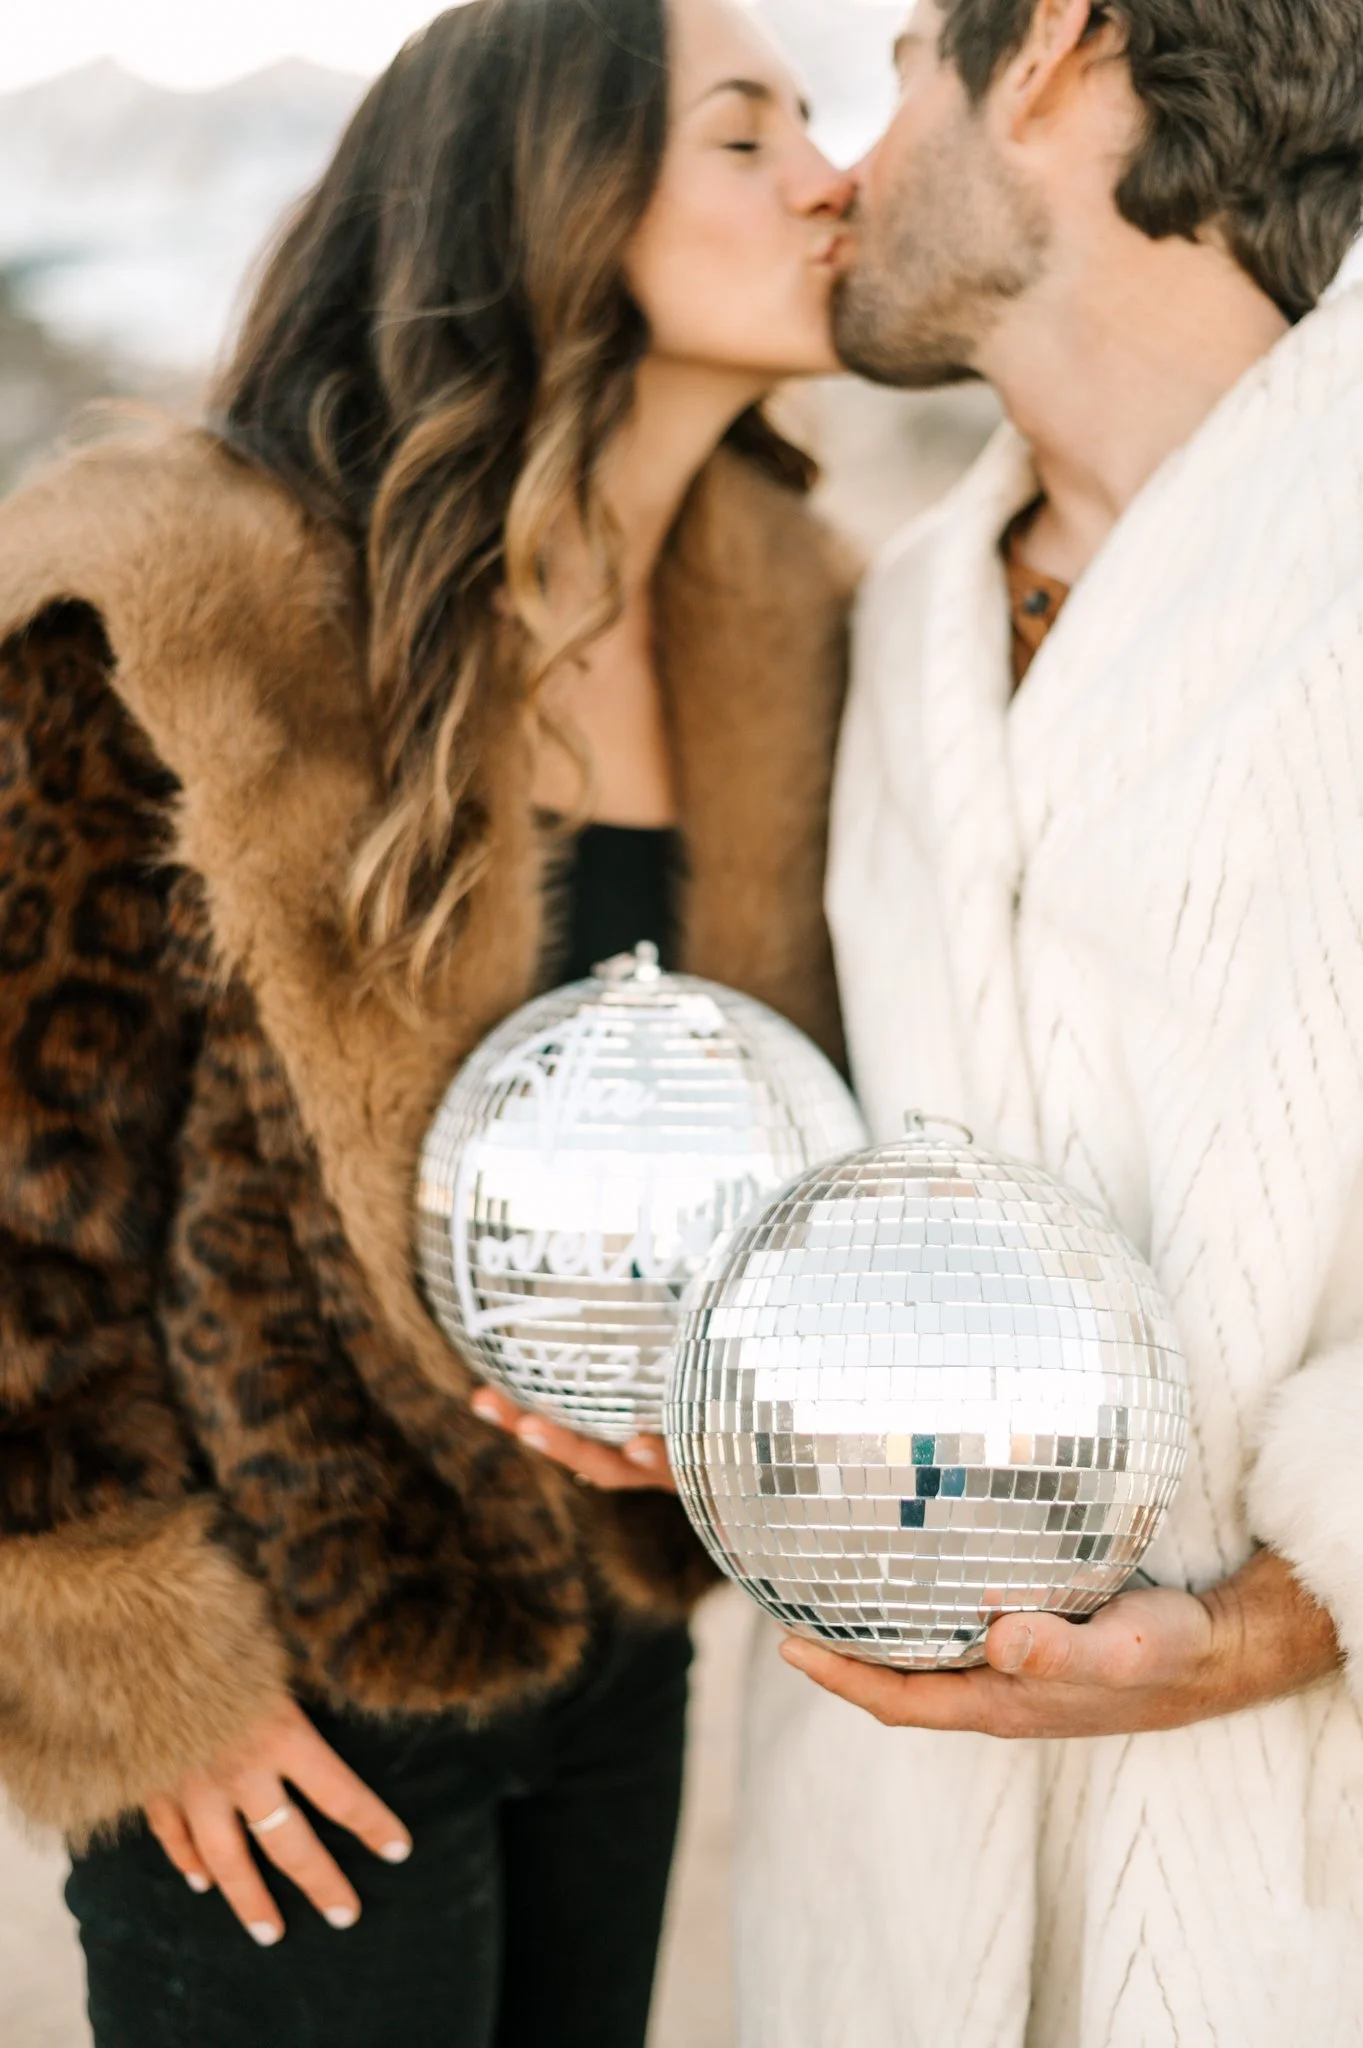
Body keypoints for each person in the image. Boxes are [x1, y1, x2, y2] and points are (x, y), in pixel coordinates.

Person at [0, 2, 856, 2043]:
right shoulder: (176, 608)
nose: (833, 181)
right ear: (549, 199)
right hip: (286, 1683)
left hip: (618, 1643)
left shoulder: (791, 628)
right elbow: (22, 1180)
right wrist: (138, 1669)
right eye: (749, 137)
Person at [736, 1, 1363, 2042]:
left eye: (905, 62)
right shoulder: (904, 605)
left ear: (1049, 52)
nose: (845, 171)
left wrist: (1281, 1617)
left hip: (1289, 1900)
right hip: (877, 1891)